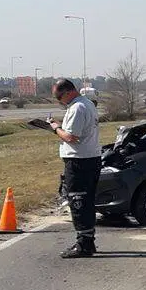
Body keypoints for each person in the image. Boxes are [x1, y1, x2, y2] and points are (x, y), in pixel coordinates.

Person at [48, 79, 101, 258]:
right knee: (87, 201)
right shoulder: (88, 104)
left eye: (59, 97)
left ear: (68, 92)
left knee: (78, 201)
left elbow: (71, 137)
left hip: (79, 161)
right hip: (91, 158)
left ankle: (84, 244)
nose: (59, 101)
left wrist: (55, 128)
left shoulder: (77, 108)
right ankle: (88, 240)